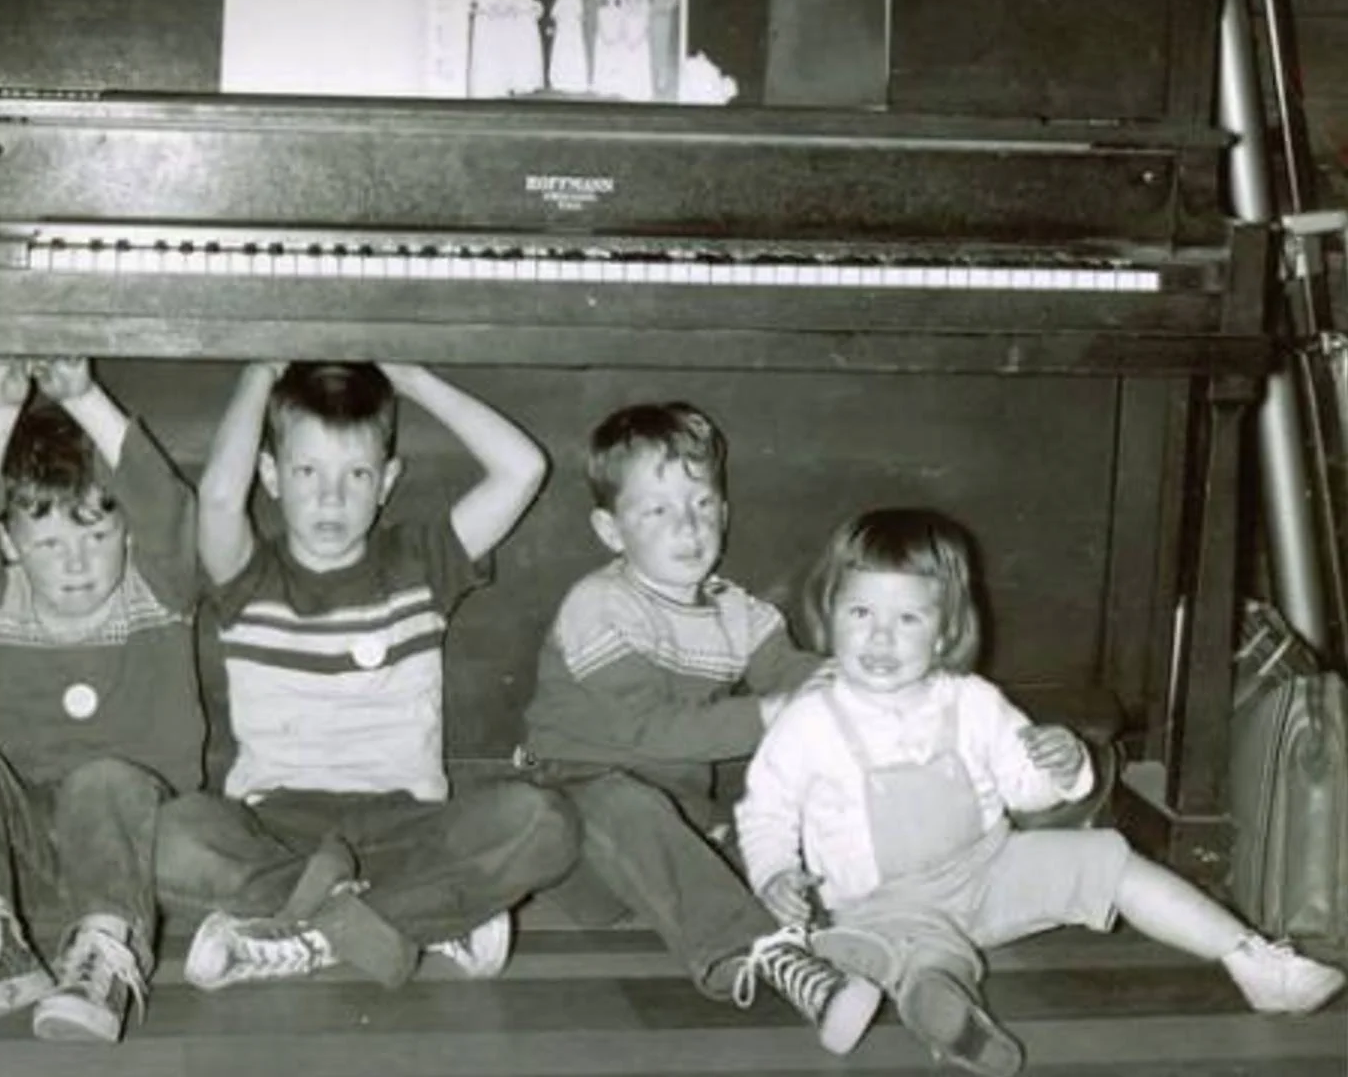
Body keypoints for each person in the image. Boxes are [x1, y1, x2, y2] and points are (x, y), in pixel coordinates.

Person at [736, 507, 1348, 1077]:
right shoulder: (812, 720)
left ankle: (1250, 959)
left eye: (907, 619)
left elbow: (1025, 792)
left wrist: (1063, 764)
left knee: (1107, 860)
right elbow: (766, 811)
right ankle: (941, 1005)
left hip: (987, 870)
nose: (879, 638)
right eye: (860, 613)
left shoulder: (970, 701)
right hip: (882, 902)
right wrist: (773, 874)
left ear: (947, 630)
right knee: (927, 950)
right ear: (829, 610)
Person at [158, 360, 578, 991]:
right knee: (168, 833)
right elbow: (218, 497)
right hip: (278, 831)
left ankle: (308, 928)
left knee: (545, 823)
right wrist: (260, 373)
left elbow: (523, 469)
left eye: (356, 474)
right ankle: (415, 919)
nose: (331, 497)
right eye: (307, 472)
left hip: (408, 826)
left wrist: (411, 380)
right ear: (269, 476)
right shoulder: (247, 578)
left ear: (387, 481)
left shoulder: (420, 564)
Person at [518, 401, 879, 1055]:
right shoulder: (599, 606)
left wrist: (846, 674)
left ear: (725, 511)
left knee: (770, 841)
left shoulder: (731, 608)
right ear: (610, 529)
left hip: (675, 816)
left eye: (704, 503)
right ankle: (762, 959)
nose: (688, 525)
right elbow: (648, 731)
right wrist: (769, 713)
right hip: (575, 796)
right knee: (627, 805)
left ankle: (855, 928)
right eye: (657, 510)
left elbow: (782, 665)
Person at [0, 356, 205, 1044]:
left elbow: (166, 504)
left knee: (104, 779)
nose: (78, 564)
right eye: (50, 543)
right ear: (10, 544)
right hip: (29, 849)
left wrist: (84, 397)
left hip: (141, 842)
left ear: (128, 533)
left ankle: (106, 953)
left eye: (96, 535)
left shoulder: (161, 592)